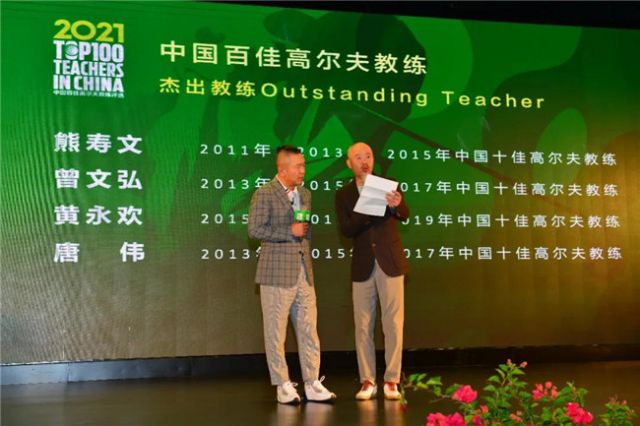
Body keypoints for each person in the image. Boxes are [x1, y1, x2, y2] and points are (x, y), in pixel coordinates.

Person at [248, 145, 336, 404]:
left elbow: (304, 232)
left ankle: (312, 382)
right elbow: (254, 229)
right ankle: (282, 384)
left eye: (303, 165)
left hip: (303, 272)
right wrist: (289, 231)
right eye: (298, 166)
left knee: (309, 329)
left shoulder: (304, 194)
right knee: (276, 333)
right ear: (282, 169)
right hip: (276, 273)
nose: (302, 170)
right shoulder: (264, 193)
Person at [334, 142, 409, 401]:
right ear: (349, 164)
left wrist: (396, 204)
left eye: (368, 156)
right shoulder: (343, 194)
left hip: (391, 261)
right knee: (363, 325)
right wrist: (367, 207)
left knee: (393, 323)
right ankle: (367, 380)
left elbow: (405, 213)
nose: (365, 161)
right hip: (363, 264)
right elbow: (347, 229)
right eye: (358, 157)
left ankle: (392, 379)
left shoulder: (388, 184)